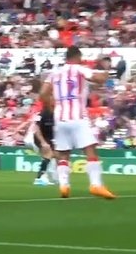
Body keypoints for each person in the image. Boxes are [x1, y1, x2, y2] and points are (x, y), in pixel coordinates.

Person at [39, 46, 115, 199]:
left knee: (63, 153)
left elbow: (42, 94)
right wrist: (106, 69)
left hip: (60, 119)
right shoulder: (80, 69)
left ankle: (64, 186)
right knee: (90, 150)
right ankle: (96, 185)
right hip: (78, 117)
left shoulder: (55, 72)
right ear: (77, 57)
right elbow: (100, 79)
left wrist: (53, 106)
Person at [19, 101, 56, 186]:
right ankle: (39, 178)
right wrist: (43, 142)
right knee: (48, 154)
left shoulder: (55, 114)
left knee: (50, 157)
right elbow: (36, 129)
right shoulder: (42, 114)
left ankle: (44, 177)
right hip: (36, 138)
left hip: (47, 138)